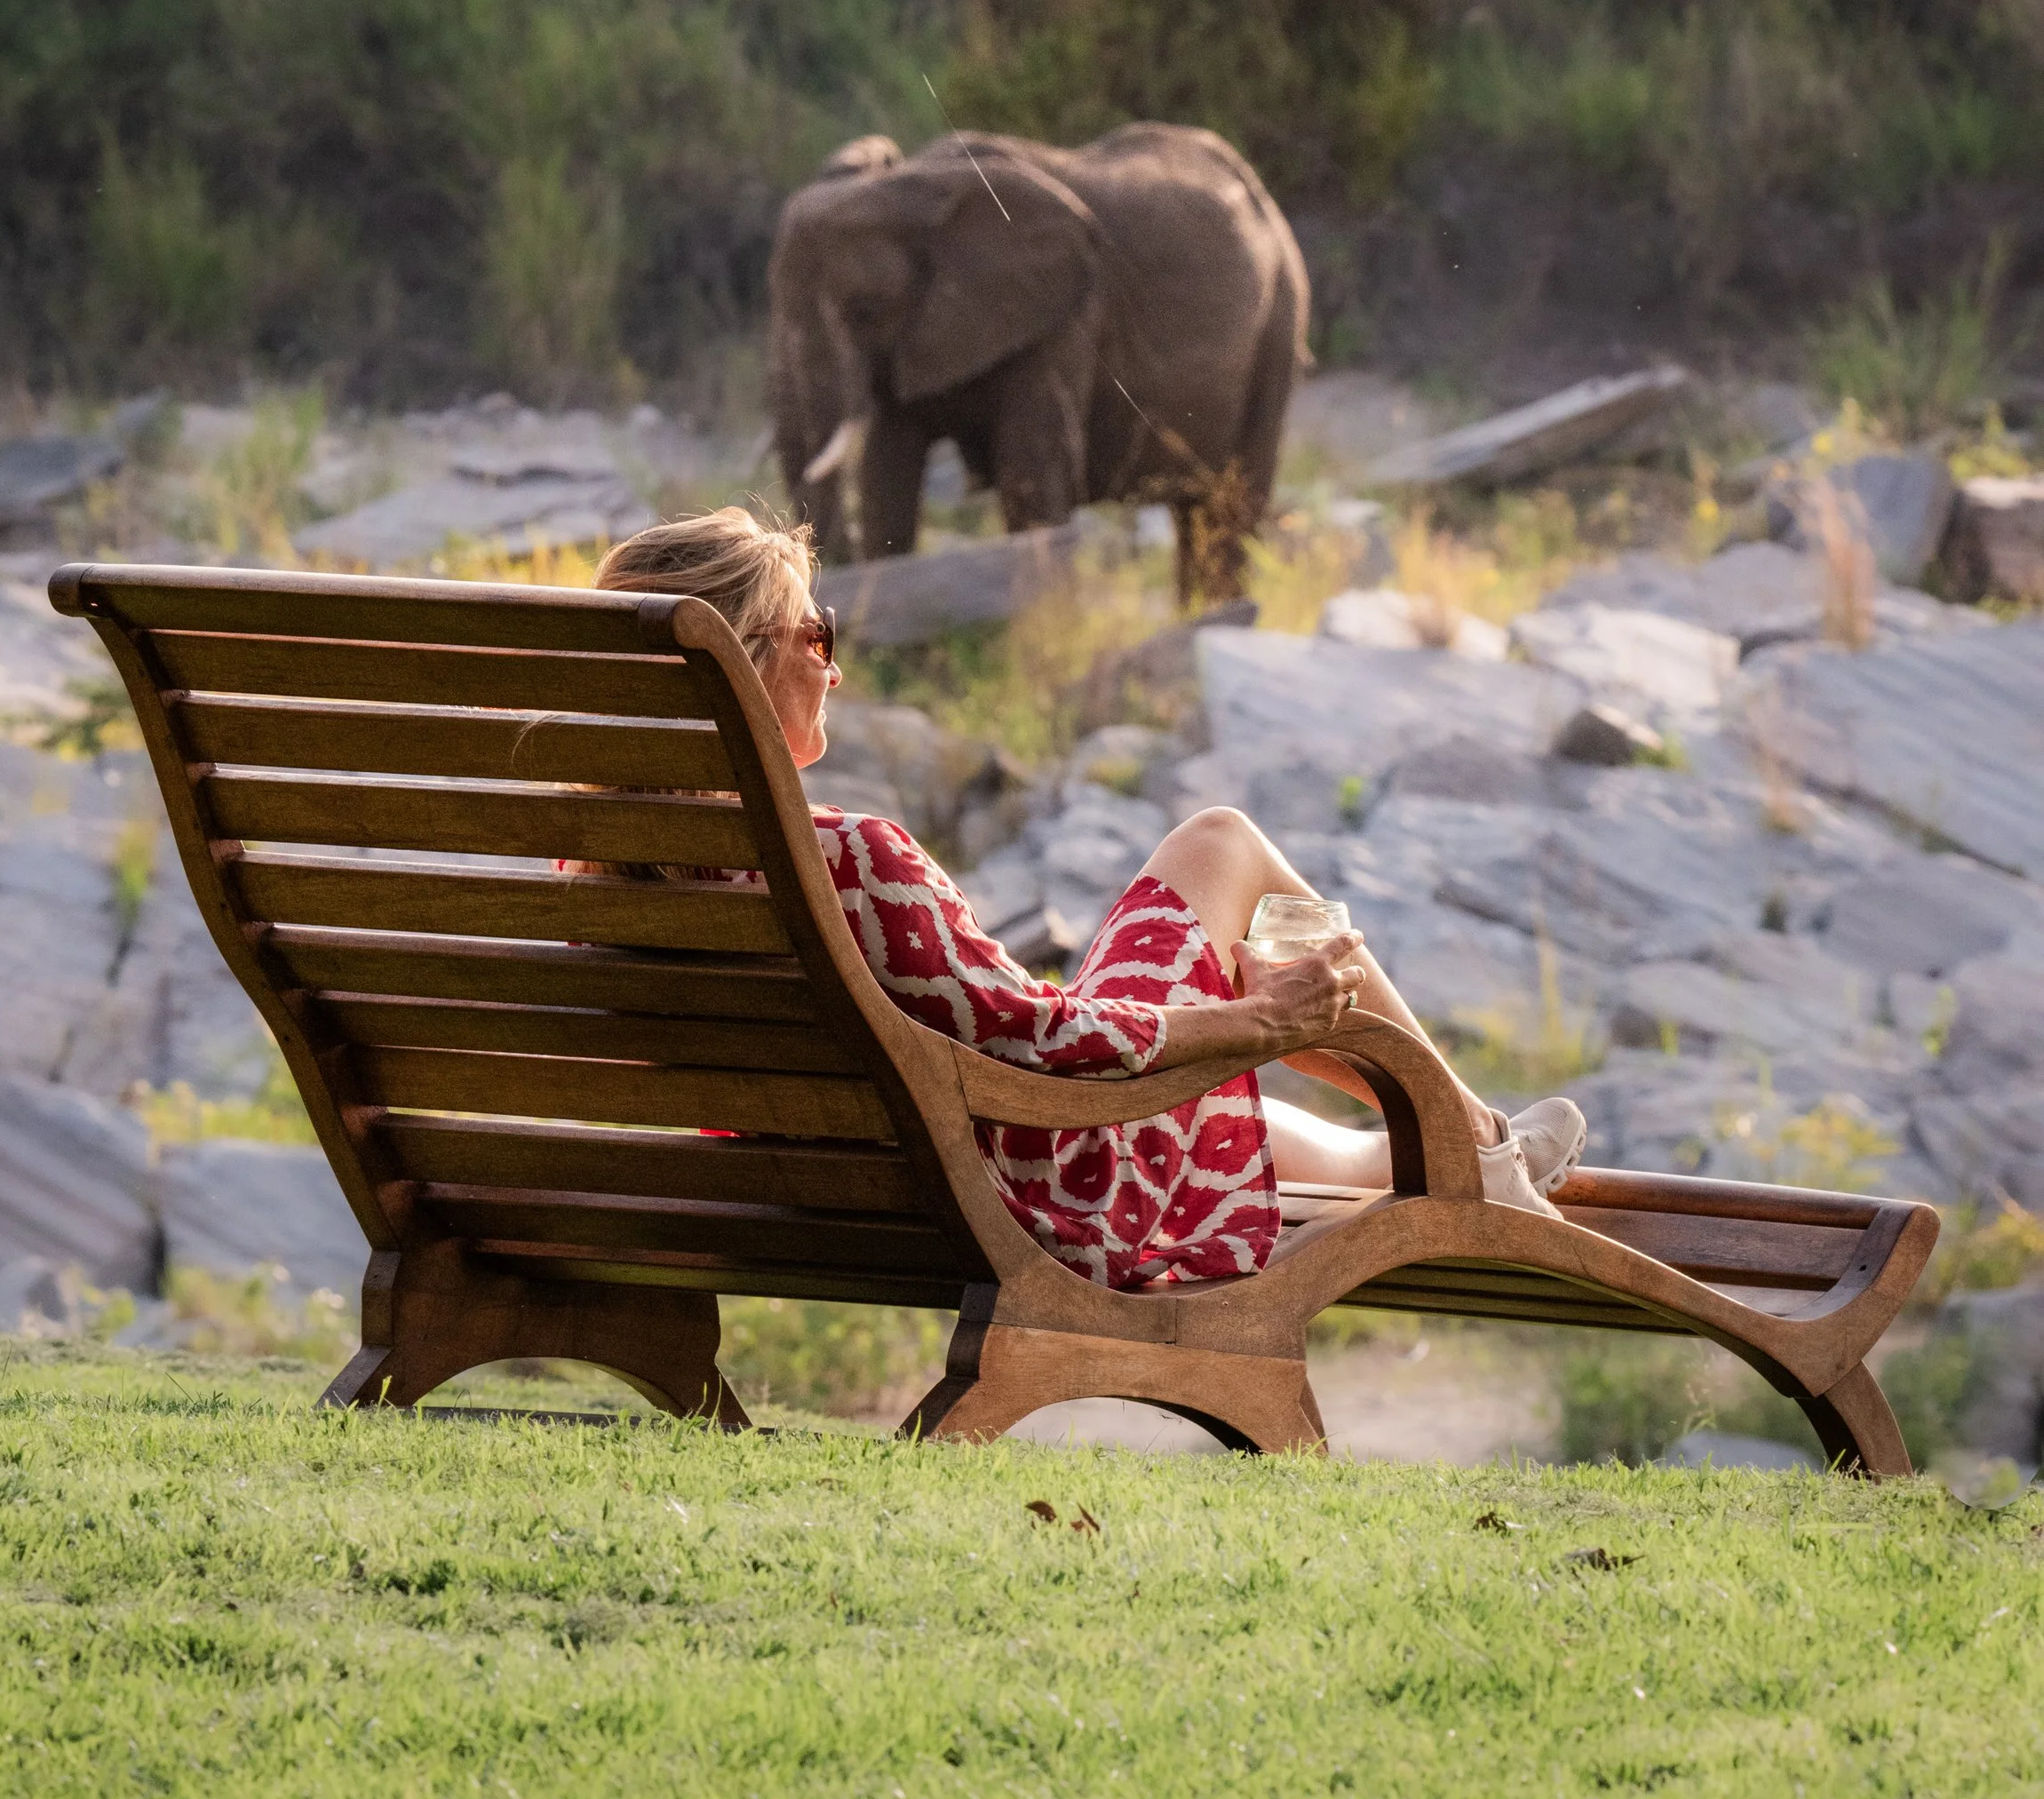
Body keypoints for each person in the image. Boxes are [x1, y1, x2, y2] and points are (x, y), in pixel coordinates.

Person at [588, 506, 1585, 1293]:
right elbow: (1047, 1043)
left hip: (830, 1192)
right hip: (1030, 1202)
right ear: (745, 661)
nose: (836, 666)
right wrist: (1258, 1019)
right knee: (1221, 844)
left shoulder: (600, 883)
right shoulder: (847, 862)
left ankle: (1442, 1149)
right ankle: (1473, 1141)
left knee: (1201, 1070)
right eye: (818, 633)